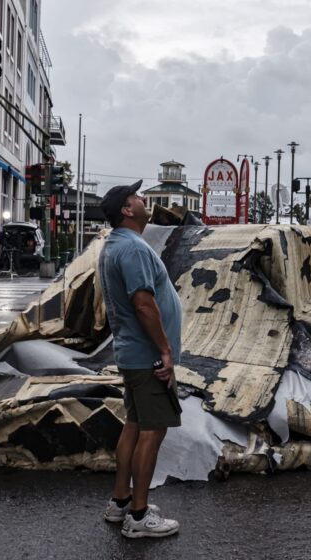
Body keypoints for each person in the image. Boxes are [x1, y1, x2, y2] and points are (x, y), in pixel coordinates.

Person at [97, 180, 183, 539]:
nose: (144, 198)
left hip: (132, 353)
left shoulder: (116, 246)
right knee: (153, 430)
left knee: (133, 424)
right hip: (147, 356)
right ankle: (139, 516)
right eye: (136, 196)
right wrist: (164, 351)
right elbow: (143, 302)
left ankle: (121, 501)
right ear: (127, 211)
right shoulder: (131, 249)